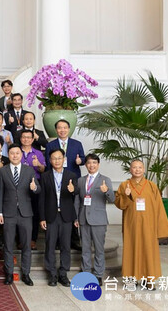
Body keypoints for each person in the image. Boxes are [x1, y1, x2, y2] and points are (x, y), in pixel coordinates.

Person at [115, 159, 168, 288]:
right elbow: (119, 204)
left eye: (140, 167)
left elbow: (159, 207)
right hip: (132, 224)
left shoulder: (152, 186)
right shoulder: (125, 185)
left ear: (144, 169)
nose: (137, 170)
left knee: (148, 250)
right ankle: (131, 279)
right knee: (131, 249)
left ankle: (149, 279)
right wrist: (125, 195)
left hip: (149, 225)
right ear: (130, 169)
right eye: (134, 167)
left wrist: (161, 227)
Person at [0, 144, 41, 286]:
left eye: (17, 153)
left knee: (26, 245)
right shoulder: (3, 171)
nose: (15, 156)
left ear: (21, 155)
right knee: (8, 245)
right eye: (12, 153)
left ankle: (26, 274)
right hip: (8, 213)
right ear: (8, 155)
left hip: (26, 213)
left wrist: (34, 188)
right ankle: (9, 274)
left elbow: (37, 189)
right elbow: (0, 193)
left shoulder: (29, 171)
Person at [39, 148, 78, 287]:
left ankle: (63, 273)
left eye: (59, 158)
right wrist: (42, 218)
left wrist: (73, 190)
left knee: (65, 246)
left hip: (66, 216)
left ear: (64, 159)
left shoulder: (71, 175)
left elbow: (77, 193)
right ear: (50, 160)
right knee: (50, 245)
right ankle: (52, 274)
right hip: (50, 216)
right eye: (54, 158)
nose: (57, 160)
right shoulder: (45, 176)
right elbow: (41, 198)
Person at [74, 154, 115, 286]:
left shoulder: (105, 180)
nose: (91, 165)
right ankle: (85, 272)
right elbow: (77, 201)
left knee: (99, 249)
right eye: (89, 163)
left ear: (98, 164)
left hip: (99, 220)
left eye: (94, 163)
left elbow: (112, 199)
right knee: (85, 248)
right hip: (83, 219)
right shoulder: (80, 180)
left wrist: (106, 191)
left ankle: (98, 274)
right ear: (85, 165)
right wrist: (76, 217)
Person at [45, 119, 84, 250]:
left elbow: (83, 158)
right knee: (56, 209)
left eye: (65, 127)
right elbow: (47, 163)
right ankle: (56, 240)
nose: (62, 130)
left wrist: (80, 161)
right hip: (55, 179)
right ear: (56, 130)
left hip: (72, 179)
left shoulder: (77, 144)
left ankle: (74, 238)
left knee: (73, 208)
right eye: (60, 128)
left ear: (69, 129)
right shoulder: (51, 145)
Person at [19, 129, 46, 249]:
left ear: (32, 139)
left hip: (34, 185)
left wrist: (38, 164)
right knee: (19, 212)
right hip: (18, 185)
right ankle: (20, 239)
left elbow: (43, 170)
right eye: (24, 137)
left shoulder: (38, 153)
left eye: (28, 137)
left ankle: (32, 239)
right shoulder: (16, 151)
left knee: (34, 212)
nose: (26, 139)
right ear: (20, 139)